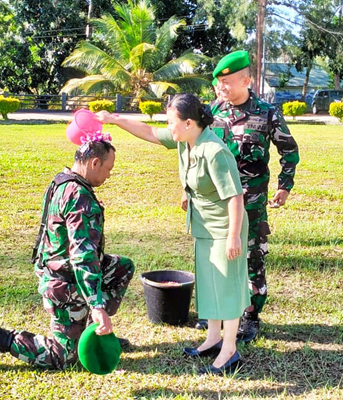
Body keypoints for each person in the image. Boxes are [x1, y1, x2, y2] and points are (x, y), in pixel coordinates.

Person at [95, 93, 249, 376]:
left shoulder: (215, 152)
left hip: (226, 226)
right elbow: (150, 132)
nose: (168, 126)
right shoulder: (185, 141)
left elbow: (235, 197)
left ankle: (229, 350)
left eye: (171, 121)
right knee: (209, 280)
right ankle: (213, 338)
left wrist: (234, 236)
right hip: (204, 225)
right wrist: (113, 120)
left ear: (189, 122)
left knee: (226, 285)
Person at [0, 138, 135, 370]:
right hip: (62, 282)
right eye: (108, 169)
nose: (109, 175)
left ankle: (91, 332)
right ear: (94, 163)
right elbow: (83, 256)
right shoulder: (79, 196)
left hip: (55, 268)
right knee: (63, 358)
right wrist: (97, 306)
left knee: (121, 268)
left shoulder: (62, 181)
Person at [200, 50, 301, 343]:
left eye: (227, 83)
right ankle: (217, 312)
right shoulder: (212, 112)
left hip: (251, 200)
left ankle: (250, 315)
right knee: (217, 253)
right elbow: (195, 149)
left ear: (247, 80)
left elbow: (289, 150)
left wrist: (284, 185)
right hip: (218, 199)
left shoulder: (267, 113)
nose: (222, 89)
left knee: (252, 254)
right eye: (219, 84)